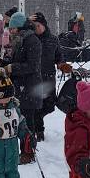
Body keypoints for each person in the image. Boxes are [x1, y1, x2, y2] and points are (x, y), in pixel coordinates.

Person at [0, 11, 42, 163]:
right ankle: (24, 150)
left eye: (12, 29)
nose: (10, 31)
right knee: (21, 120)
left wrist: (11, 68)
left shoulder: (32, 40)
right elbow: (17, 61)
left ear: (19, 28)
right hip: (21, 86)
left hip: (29, 87)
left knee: (27, 122)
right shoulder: (20, 39)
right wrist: (3, 64)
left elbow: (32, 65)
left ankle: (28, 152)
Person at [30, 11, 63, 141]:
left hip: (49, 78)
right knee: (37, 106)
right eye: (34, 26)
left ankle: (37, 123)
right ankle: (38, 131)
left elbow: (59, 56)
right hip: (34, 79)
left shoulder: (53, 39)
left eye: (38, 25)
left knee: (49, 106)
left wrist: (61, 64)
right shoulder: (31, 39)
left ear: (44, 25)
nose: (37, 28)